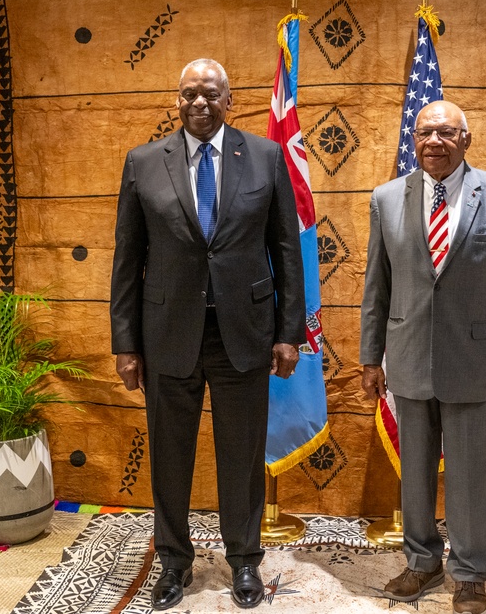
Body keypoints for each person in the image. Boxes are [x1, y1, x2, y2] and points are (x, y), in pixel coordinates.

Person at [110, 58, 305, 610]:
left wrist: (289, 332)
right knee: (170, 454)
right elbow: (128, 259)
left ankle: (244, 561)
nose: (199, 102)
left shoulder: (265, 157)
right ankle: (173, 561)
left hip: (243, 332)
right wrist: (125, 343)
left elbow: (286, 250)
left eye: (210, 93)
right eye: (188, 93)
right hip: (167, 334)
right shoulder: (144, 162)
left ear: (229, 100)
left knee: (241, 454)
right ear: (177, 100)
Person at [359, 100, 486, 614]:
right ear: (414, 140)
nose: (433, 141)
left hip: (476, 362)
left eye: (445, 133)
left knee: (469, 473)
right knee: (414, 470)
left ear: (466, 139)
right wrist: (371, 359)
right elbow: (377, 287)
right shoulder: (386, 198)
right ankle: (421, 561)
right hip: (407, 358)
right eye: (424, 133)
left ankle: (470, 572)